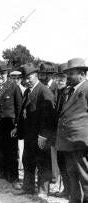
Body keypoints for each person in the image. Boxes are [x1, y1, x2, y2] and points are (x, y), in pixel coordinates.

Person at [17, 63, 56, 196]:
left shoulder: (44, 91)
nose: (27, 80)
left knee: (42, 164)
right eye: (25, 78)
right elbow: (24, 112)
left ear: (36, 75)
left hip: (40, 136)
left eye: (29, 77)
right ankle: (27, 188)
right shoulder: (28, 91)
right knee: (27, 161)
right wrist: (18, 127)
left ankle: (43, 192)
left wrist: (43, 135)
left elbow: (49, 116)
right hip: (29, 135)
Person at [56, 58, 88, 203]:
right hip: (68, 141)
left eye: (71, 73)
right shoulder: (69, 90)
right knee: (72, 175)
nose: (68, 76)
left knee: (84, 177)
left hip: (81, 142)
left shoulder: (86, 89)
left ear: (82, 74)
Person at [0, 62, 22, 187]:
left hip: (9, 126)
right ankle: (3, 174)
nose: (0, 76)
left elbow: (19, 107)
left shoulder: (13, 87)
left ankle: (14, 178)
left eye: (2, 73)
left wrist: (17, 126)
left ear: (7, 74)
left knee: (11, 153)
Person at [52, 62, 70, 199]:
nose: (59, 80)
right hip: (59, 136)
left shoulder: (71, 92)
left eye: (62, 78)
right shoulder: (57, 92)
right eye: (57, 77)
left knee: (71, 165)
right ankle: (67, 190)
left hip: (70, 136)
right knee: (61, 162)